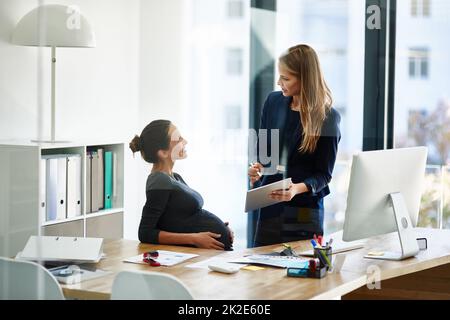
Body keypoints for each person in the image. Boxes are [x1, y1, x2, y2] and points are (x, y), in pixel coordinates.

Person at [248, 44, 341, 247]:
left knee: (300, 274)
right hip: (270, 208)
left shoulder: (328, 118)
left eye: (286, 78)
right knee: (261, 271)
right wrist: (258, 169)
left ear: (305, 79)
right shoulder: (273, 102)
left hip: (305, 212)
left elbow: (323, 175)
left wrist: (295, 189)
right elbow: (264, 154)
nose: (279, 82)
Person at [130, 120, 234, 250]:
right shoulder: (159, 180)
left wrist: (221, 227)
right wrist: (194, 238)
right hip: (196, 256)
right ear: (163, 152)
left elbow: (178, 220)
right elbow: (145, 232)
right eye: (178, 139)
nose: (185, 141)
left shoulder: (175, 177)